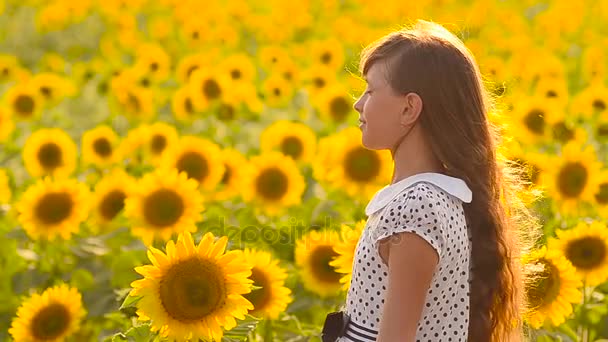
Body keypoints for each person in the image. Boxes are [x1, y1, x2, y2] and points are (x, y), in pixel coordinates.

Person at [322, 20, 537, 342]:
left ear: (409, 108)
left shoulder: (415, 208)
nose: (358, 103)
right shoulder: (438, 197)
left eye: (370, 90)